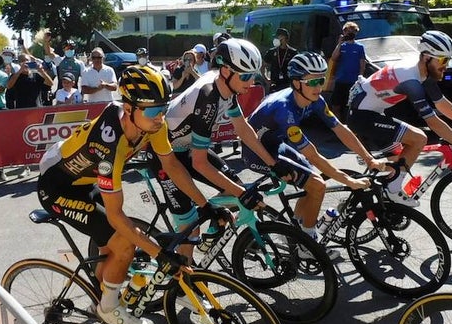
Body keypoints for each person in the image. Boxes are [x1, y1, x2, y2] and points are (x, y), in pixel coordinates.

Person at [36, 65, 227, 324]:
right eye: (153, 110)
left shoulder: (150, 123)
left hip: (83, 181)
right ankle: (109, 309)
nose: (160, 117)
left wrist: (205, 205)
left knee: (113, 250)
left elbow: (172, 165)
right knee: (125, 242)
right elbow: (117, 216)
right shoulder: (108, 143)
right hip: (58, 187)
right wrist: (159, 255)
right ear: (129, 108)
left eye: (164, 108)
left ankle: (100, 300)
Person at [244, 52, 378, 243]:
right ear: (297, 83)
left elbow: (340, 129)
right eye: (313, 82)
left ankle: (295, 232)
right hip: (257, 153)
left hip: (276, 144)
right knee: (317, 185)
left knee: (312, 181)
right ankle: (307, 243)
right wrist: (349, 181)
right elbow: (312, 154)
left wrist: (368, 158)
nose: (319, 87)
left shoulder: (314, 100)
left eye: (321, 80)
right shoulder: (285, 109)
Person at [156, 39, 279, 243]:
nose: (251, 83)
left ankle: (212, 230)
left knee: (235, 187)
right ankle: (183, 272)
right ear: (225, 70)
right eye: (246, 76)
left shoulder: (228, 87)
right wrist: (242, 194)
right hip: (163, 155)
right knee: (190, 229)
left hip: (184, 147)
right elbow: (199, 163)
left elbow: (243, 128)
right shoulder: (209, 97)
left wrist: (273, 164)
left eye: (254, 75)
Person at [347, 31, 452, 204]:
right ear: (427, 58)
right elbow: (432, 121)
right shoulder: (410, 79)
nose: (446, 66)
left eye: (448, 60)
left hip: (371, 112)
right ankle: (393, 190)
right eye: (443, 60)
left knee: (400, 161)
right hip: (363, 116)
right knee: (419, 138)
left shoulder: (421, 71)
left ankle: (383, 204)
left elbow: (441, 103)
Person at [325, 21, 372, 119]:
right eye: (348, 31)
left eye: (353, 32)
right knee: (335, 105)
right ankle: (337, 125)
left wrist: (360, 78)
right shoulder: (342, 46)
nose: (350, 33)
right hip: (340, 80)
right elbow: (334, 58)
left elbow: (362, 63)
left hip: (353, 82)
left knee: (351, 106)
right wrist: (339, 43)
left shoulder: (359, 47)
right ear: (344, 32)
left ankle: (349, 127)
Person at [263, 28, 298, 92]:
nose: (277, 39)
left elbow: (298, 68)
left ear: (286, 38)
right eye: (277, 37)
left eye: (280, 37)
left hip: (288, 85)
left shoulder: (293, 52)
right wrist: (266, 79)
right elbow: (263, 65)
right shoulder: (272, 51)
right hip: (274, 84)